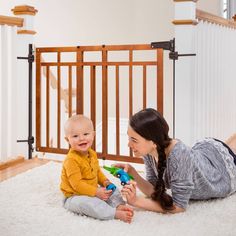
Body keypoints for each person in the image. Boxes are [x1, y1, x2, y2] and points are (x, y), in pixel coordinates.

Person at [115, 108, 236, 214]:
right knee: (230, 146)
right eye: (129, 138)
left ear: (153, 142)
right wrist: (133, 173)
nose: (128, 144)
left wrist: (136, 201)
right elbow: (153, 189)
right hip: (206, 152)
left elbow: (178, 206)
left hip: (222, 172)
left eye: (134, 140)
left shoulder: (179, 155)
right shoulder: (149, 151)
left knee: (231, 150)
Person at [60, 114, 133, 223]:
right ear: (67, 139)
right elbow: (77, 185)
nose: (81, 138)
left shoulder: (92, 154)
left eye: (85, 134)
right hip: (75, 196)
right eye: (75, 136)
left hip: (93, 192)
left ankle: (118, 205)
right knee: (89, 204)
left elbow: (97, 172)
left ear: (93, 135)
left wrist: (105, 182)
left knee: (113, 190)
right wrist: (96, 192)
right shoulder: (71, 160)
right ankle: (113, 213)